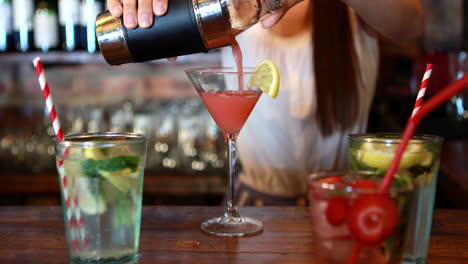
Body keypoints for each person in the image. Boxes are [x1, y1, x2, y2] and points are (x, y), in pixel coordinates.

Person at [107, 0, 426, 205]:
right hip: (254, 210)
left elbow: (411, 23)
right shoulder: (235, 6)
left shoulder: (353, 12)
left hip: (341, 208)